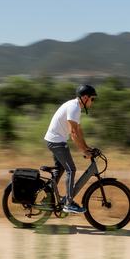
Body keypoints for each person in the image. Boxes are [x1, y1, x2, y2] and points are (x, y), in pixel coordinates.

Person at [44, 84, 97, 213]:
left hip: (54, 140)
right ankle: (68, 203)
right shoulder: (74, 107)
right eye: (92, 99)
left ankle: (48, 198)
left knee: (61, 168)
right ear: (85, 97)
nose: (93, 101)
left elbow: (79, 130)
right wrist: (83, 151)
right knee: (71, 169)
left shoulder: (76, 107)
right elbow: (73, 132)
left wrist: (86, 147)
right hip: (57, 142)